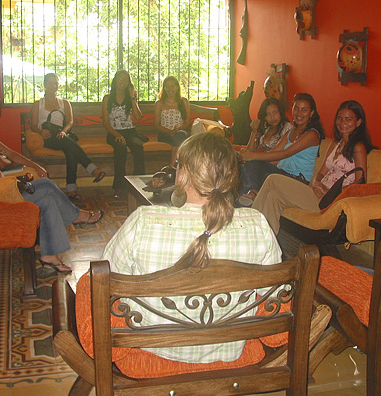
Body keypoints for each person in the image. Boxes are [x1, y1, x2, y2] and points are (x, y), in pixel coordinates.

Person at [76, 132, 281, 368]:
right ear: (233, 176)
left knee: (88, 282)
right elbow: (276, 296)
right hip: (231, 349)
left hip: (155, 350)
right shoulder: (258, 225)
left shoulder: (144, 221)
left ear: (182, 175)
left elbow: (103, 284)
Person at [0, 107, 104, 273]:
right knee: (46, 185)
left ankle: (49, 254)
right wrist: (7, 182)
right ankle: (77, 215)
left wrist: (1, 176)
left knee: (47, 199)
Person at [253, 100, 374, 234]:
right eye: (339, 118)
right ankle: (264, 242)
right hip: (316, 193)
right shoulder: (335, 144)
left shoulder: (358, 147)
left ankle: (248, 225)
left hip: (331, 202)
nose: (342, 123)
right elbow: (321, 172)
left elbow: (360, 183)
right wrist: (317, 184)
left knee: (273, 179)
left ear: (358, 122)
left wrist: (331, 192)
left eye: (348, 119)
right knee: (273, 197)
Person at [238, 93, 324, 207]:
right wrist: (252, 158)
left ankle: (248, 202)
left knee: (254, 161)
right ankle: (251, 194)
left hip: (298, 180)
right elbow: (274, 154)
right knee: (253, 164)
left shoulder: (312, 134)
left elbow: (284, 154)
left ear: (312, 113)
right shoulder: (291, 132)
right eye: (296, 108)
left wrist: (253, 156)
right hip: (283, 174)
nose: (299, 113)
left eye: (304, 110)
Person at [31, 73, 105, 201]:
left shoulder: (64, 103)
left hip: (61, 135)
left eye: (56, 83)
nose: (54, 86)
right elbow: (32, 125)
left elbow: (70, 122)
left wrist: (64, 131)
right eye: (50, 83)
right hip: (48, 137)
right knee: (69, 146)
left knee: (71, 152)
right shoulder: (38, 104)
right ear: (44, 85)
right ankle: (92, 169)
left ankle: (72, 190)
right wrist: (41, 132)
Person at [0, 91, 48, 178]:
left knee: (35, 169)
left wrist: (35, 165)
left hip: (1, 171)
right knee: (32, 173)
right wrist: (15, 163)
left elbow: (10, 153)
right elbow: (0, 163)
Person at [102, 70, 144, 199]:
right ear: (115, 81)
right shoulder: (108, 98)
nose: (122, 82)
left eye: (125, 80)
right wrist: (116, 134)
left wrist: (132, 98)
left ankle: (138, 184)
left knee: (138, 146)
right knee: (120, 149)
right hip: (114, 132)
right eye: (120, 79)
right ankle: (119, 185)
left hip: (130, 132)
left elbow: (138, 116)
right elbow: (105, 121)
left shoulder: (130, 98)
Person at [154, 76, 191, 165]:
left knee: (179, 136)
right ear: (164, 88)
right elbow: (156, 125)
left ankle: (172, 166)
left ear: (177, 87)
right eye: (167, 86)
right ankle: (175, 167)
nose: (170, 89)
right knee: (179, 140)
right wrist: (170, 131)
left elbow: (187, 121)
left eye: (172, 86)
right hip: (165, 134)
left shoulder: (184, 101)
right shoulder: (159, 103)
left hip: (181, 132)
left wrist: (178, 130)